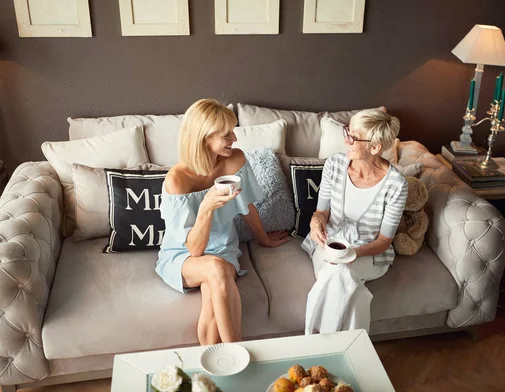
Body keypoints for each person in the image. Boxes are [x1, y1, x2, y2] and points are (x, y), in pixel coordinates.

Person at [156, 99, 289, 345]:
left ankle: (217, 368)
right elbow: (194, 250)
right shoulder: (178, 180)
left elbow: (246, 206)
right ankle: (237, 352)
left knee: (213, 304)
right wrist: (206, 206)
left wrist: (264, 239)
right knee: (215, 269)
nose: (234, 139)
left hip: (223, 249)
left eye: (233, 131)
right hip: (183, 255)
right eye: (226, 134)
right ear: (204, 137)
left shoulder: (234, 160)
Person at [302, 108, 408, 334]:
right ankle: (349, 353)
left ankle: (313, 343)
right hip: (328, 244)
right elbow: (321, 212)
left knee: (338, 273)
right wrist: (315, 222)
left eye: (353, 137)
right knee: (351, 288)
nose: (346, 140)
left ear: (375, 147)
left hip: (368, 252)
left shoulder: (396, 185)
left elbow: (383, 240)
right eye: (347, 131)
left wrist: (353, 254)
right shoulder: (334, 164)